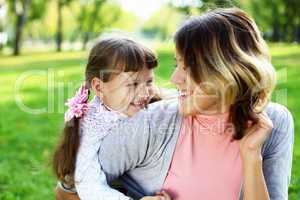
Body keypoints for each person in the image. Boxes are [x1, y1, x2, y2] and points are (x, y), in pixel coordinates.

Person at [56, 8, 294, 200]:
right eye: (176, 65)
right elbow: (69, 192)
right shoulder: (150, 122)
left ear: (226, 73)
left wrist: (252, 156)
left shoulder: (274, 123)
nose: (174, 79)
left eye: (188, 68)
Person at [53, 36, 171, 200]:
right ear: (99, 87)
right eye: (133, 84)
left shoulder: (141, 101)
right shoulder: (92, 126)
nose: (145, 93)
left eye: (149, 81)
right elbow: (89, 187)